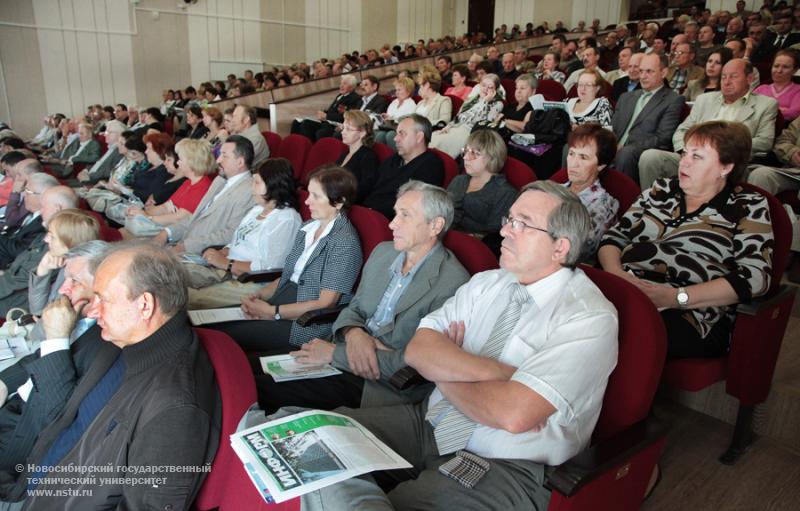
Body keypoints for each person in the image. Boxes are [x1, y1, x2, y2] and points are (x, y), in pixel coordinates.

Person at [292, 180, 618, 511]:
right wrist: (504, 376)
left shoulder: (588, 318)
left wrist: (445, 371)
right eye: (508, 219)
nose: (505, 231)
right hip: (429, 423)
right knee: (306, 438)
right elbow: (419, 351)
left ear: (560, 247)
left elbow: (513, 415)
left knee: (388, 500)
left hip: (504, 460)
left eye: (522, 224)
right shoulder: (486, 282)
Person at [0, 243, 221, 509]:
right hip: (27, 484)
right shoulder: (124, 340)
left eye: (103, 299)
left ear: (145, 305)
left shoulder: (175, 409)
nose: (93, 311)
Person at [257, 181, 470, 412]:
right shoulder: (384, 252)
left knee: (258, 390)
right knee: (249, 368)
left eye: (405, 216)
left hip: (379, 384)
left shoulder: (454, 283)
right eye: (395, 213)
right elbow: (353, 308)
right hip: (342, 350)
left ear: (435, 226)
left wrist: (335, 355)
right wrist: (355, 333)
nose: (392, 224)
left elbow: (418, 363)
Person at [601, 121, 773, 358]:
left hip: (692, 311)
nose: (684, 161)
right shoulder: (660, 190)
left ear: (725, 167)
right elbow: (615, 236)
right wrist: (616, 274)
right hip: (626, 286)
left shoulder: (748, 206)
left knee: (608, 336)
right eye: (684, 152)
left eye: (697, 156)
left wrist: (676, 297)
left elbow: (755, 278)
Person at [211, 166, 362, 353]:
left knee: (218, 336)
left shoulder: (344, 242)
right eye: (309, 194)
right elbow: (289, 276)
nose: (307, 201)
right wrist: (259, 295)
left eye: (316, 196)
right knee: (208, 321)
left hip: (305, 322)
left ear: (339, 202)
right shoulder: (309, 227)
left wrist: (272, 313)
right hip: (281, 300)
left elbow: (326, 303)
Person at [0, 241, 110, 472]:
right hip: (13, 406)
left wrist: (57, 337)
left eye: (75, 281)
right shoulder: (80, 317)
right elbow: (37, 357)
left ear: (102, 288)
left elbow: (54, 414)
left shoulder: (107, 341)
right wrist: (2, 383)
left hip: (19, 441)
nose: (63, 289)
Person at [639, 59, 778, 188]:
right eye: (723, 77)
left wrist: (721, 150)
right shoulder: (704, 100)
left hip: (729, 162)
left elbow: (765, 141)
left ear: (749, 79)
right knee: (650, 157)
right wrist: (686, 152)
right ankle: (651, 205)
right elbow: (682, 131)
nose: (727, 81)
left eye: (733, 76)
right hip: (693, 156)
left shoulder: (766, 105)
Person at [186, 158, 302, 308]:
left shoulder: (287, 219)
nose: (251, 187)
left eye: (257, 182)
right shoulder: (257, 209)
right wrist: (222, 251)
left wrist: (227, 264)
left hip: (251, 282)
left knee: (188, 299)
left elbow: (271, 267)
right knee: (170, 275)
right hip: (225, 269)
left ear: (274, 185)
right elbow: (238, 239)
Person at [153, 135, 257, 255]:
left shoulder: (248, 191)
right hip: (183, 244)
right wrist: (166, 232)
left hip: (203, 254)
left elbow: (230, 234)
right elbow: (195, 218)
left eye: (224, 156)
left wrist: (185, 246)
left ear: (240, 162)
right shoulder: (219, 181)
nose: (218, 160)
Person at [0, 186, 78, 316]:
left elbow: (19, 283)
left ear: (57, 208)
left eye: (43, 206)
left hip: (13, 304)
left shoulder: (62, 242)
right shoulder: (51, 233)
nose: (40, 211)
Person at [120, 138, 215, 238]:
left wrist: (147, 217)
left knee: (124, 232)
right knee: (127, 225)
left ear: (192, 162)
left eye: (181, 159)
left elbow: (179, 218)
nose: (177, 163)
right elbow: (165, 207)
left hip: (173, 234)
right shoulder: (188, 182)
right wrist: (142, 212)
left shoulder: (203, 186)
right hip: (164, 226)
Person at [611, 53, 685, 180]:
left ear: (663, 73)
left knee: (625, 154)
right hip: (613, 147)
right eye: (641, 71)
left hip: (636, 152)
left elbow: (663, 138)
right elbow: (613, 128)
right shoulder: (625, 97)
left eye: (649, 71)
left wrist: (627, 147)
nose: (643, 76)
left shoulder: (673, 100)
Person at [28, 209, 100, 332]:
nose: (45, 240)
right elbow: (38, 310)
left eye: (52, 236)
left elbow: (40, 314)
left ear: (70, 241)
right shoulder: (63, 264)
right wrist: (42, 270)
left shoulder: (82, 276)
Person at [362, 115, 444, 219]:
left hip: (388, 222)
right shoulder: (396, 158)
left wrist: (370, 210)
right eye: (396, 133)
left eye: (402, 134)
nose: (395, 139)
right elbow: (370, 184)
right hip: (368, 212)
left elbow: (409, 206)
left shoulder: (431, 166)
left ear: (419, 137)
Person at [447, 129, 517, 242]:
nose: (465, 157)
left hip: (471, 248)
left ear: (492, 157)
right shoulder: (459, 180)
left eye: (474, 153)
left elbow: (493, 235)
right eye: (465, 151)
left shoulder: (505, 193)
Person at [563, 124, 619, 257]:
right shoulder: (555, 188)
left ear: (601, 165)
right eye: (571, 154)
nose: (573, 163)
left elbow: (578, 252)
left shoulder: (605, 206)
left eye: (583, 157)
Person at [430, 74, 505, 158]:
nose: (485, 89)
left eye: (490, 87)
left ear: (496, 90)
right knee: (433, 137)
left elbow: (483, 123)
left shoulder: (498, 104)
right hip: (456, 127)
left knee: (439, 144)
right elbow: (459, 116)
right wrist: (448, 127)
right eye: (483, 85)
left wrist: (485, 101)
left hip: (471, 133)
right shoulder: (472, 99)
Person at [291, 74, 361, 141]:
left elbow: (345, 116)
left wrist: (327, 116)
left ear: (351, 87)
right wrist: (323, 113)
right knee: (301, 123)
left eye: (344, 84)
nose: (341, 86)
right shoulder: (340, 95)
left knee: (319, 131)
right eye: (341, 83)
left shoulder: (355, 98)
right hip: (328, 122)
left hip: (336, 125)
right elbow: (332, 110)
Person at [337, 110, 380, 203]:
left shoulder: (368, 157)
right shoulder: (345, 153)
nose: (342, 132)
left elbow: (365, 189)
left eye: (348, 129)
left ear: (362, 133)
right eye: (343, 128)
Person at [74, 120, 126, 186]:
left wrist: (89, 176)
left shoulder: (120, 151)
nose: (105, 134)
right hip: (86, 177)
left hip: (93, 183)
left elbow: (110, 172)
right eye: (106, 132)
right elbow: (99, 163)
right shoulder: (110, 147)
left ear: (120, 135)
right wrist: (85, 170)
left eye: (109, 132)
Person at [754, 49, 800, 121]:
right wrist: (781, 110)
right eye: (776, 66)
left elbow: (793, 113)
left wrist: (762, 109)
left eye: (785, 67)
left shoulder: (798, 90)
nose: (779, 70)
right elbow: (747, 108)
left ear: (795, 70)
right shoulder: (761, 88)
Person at [375, 77, 418, 147]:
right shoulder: (394, 102)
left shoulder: (411, 104)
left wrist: (392, 118)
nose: (396, 92)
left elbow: (408, 121)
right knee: (380, 134)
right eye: (396, 90)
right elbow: (389, 115)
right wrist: (385, 116)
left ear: (408, 91)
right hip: (389, 127)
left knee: (390, 135)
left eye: (399, 90)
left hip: (402, 130)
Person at [229, 104, 270, 168]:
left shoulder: (256, 139)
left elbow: (236, 162)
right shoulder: (240, 135)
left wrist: (225, 140)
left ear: (246, 120)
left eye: (235, 117)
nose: (232, 120)